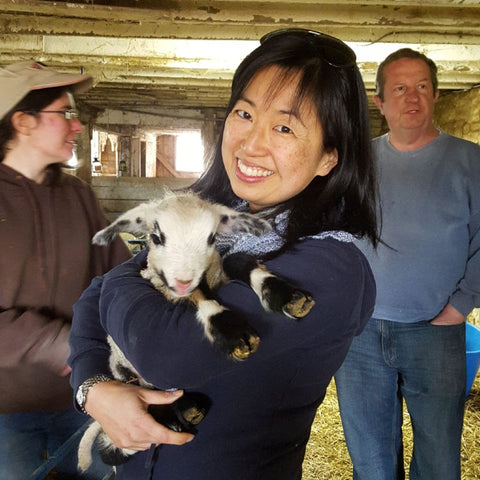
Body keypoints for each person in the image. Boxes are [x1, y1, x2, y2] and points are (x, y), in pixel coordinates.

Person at [68, 28, 379, 480]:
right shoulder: (213, 220)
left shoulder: (331, 266)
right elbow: (88, 305)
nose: (251, 144)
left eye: (284, 127)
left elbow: (163, 351)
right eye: (244, 113)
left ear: (329, 157)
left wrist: (122, 277)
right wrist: (92, 386)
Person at [335, 48, 480, 480]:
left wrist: (460, 306)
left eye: (421, 87)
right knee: (371, 461)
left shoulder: (471, 162)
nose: (411, 98)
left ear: (436, 96)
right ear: (380, 102)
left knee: (438, 460)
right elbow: (332, 232)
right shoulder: (355, 161)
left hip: (435, 331)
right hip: (360, 335)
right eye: (399, 88)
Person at [0, 61, 132, 479]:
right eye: (66, 113)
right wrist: (59, 343)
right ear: (23, 121)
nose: (77, 126)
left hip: (85, 397)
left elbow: (118, 277)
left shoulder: (78, 195)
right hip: (5, 411)